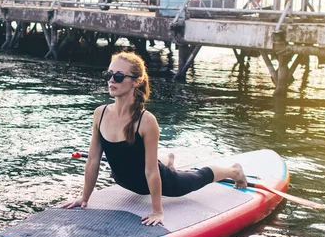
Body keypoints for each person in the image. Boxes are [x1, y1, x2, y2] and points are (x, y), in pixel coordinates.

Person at [62, 51, 247, 226]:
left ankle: (234, 171)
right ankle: (168, 159)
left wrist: (157, 211)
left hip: (155, 181)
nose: (111, 80)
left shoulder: (146, 121)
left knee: (197, 178)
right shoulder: (100, 113)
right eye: (108, 74)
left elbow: (151, 171)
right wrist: (84, 198)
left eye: (118, 76)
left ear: (136, 82)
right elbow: (93, 161)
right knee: (150, 159)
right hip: (123, 179)